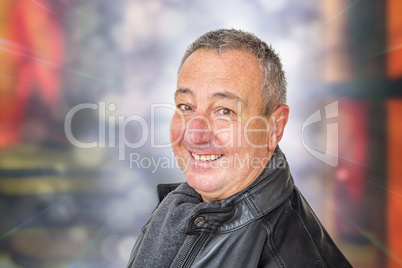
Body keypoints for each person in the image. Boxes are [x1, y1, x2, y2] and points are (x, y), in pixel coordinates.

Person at [126, 29, 352, 268]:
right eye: (186, 106)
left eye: (224, 111)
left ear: (274, 128)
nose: (194, 134)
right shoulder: (175, 213)